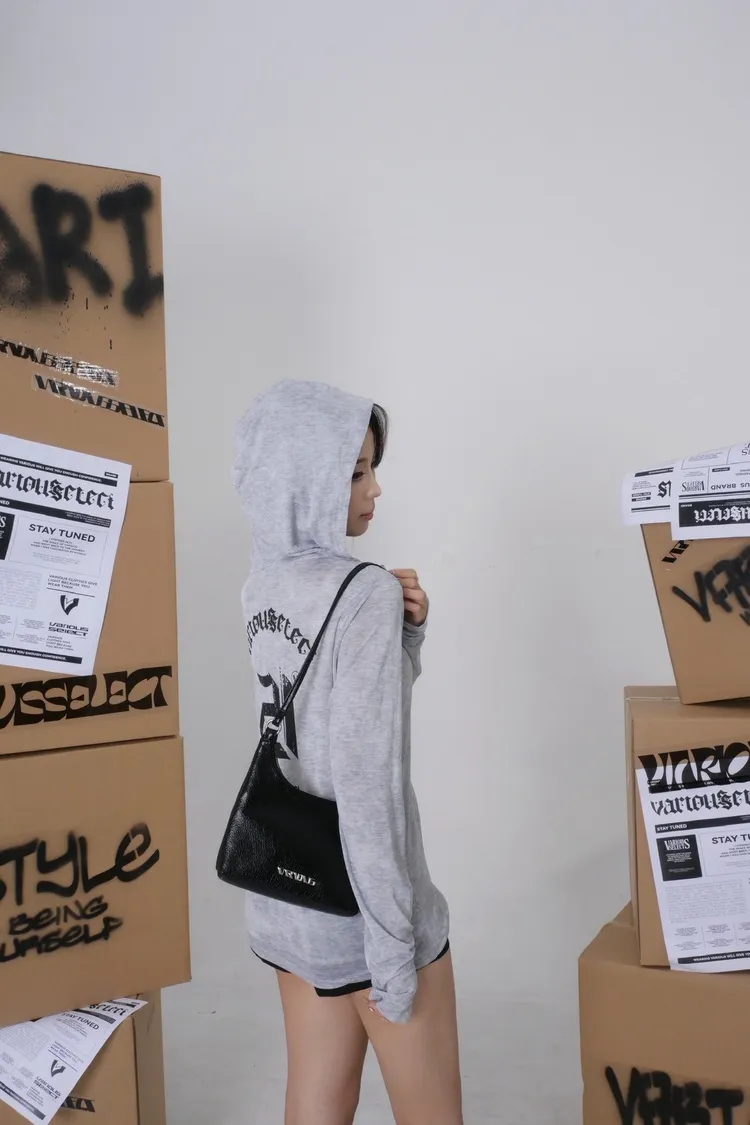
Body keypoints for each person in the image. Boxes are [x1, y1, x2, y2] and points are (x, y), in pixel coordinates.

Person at [233, 379, 463, 1125]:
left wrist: (403, 641)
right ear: (309, 477)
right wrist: (394, 948)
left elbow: (321, 724)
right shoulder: (364, 591)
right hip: (367, 911)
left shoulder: (263, 582)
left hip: (286, 898)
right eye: (358, 471)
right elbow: (367, 780)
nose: (375, 488)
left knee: (314, 1103)